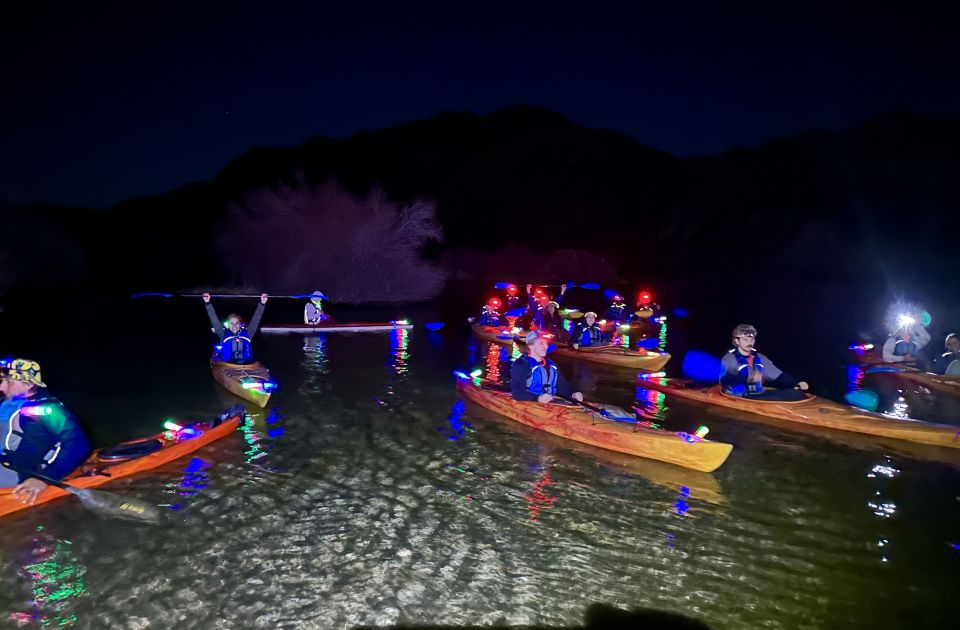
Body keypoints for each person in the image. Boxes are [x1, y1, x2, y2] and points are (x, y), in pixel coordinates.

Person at [0, 358, 91, 505]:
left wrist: (43, 478)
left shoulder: (48, 410)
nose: (2, 387)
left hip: (17, 477)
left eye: (8, 382)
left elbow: (77, 445)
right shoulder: (9, 408)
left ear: (28, 384)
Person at [720, 324, 809, 401]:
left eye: (751, 339)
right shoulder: (730, 358)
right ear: (737, 341)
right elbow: (724, 380)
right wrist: (746, 379)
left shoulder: (759, 357)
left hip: (757, 393)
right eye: (745, 339)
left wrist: (797, 382)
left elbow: (777, 375)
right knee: (792, 395)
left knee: (796, 393)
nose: (749, 342)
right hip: (738, 395)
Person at [510, 331, 584, 403]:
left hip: (549, 402)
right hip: (531, 402)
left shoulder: (551, 364)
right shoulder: (521, 364)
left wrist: (572, 394)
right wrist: (538, 398)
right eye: (541, 343)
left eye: (546, 343)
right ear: (530, 346)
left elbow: (562, 385)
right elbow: (517, 392)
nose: (546, 346)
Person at [204, 292, 268, 364]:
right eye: (232, 323)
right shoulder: (222, 334)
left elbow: (255, 320)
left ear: (240, 324)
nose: (234, 326)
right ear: (228, 325)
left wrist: (262, 304)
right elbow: (214, 320)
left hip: (247, 364)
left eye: (236, 323)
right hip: (227, 365)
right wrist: (207, 303)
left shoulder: (248, 334)